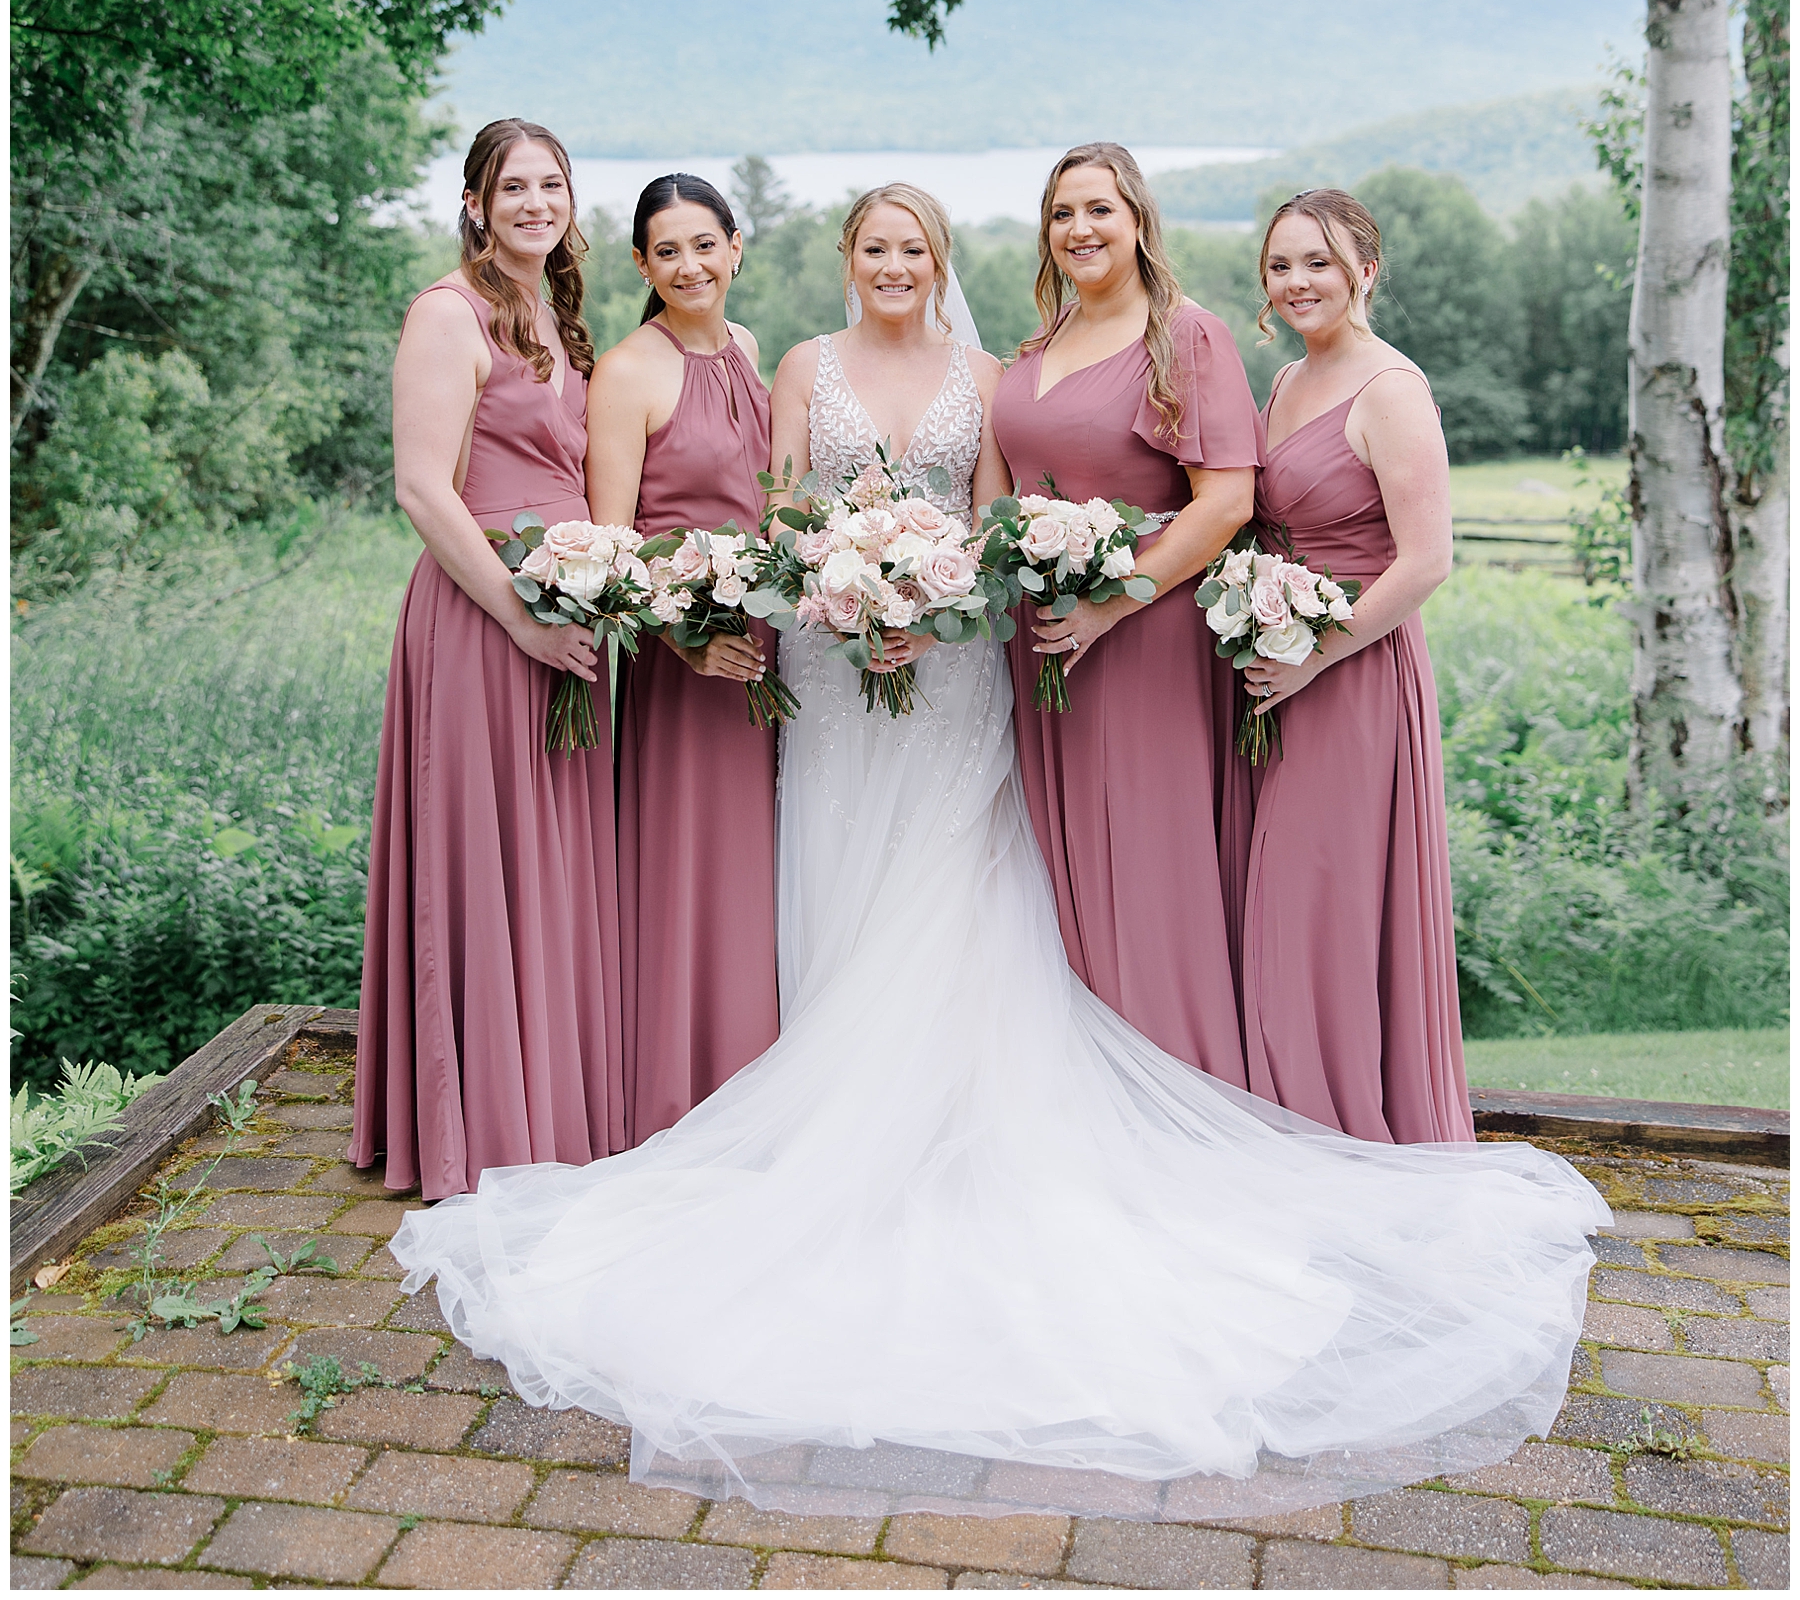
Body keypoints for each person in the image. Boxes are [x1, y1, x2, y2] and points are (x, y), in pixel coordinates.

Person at [392, 178, 1605, 1527]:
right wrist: (841, 583)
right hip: (834, 669)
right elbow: (783, 504)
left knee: (976, 889)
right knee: (841, 879)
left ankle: (957, 1125)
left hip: (961, 676)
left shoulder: (995, 371)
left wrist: (930, 589)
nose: (895, 264)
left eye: (915, 247)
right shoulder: (792, 361)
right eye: (873, 248)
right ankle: (829, 1098)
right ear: (844, 262)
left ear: (942, 261)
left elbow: (990, 519)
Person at [352, 119, 624, 1203]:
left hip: (572, 606)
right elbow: (424, 488)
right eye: (512, 186)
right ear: (474, 202)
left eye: (550, 184)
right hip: (483, 615)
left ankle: (553, 1100)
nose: (532, 202)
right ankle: (479, 1119)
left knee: (553, 854)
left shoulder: (559, 318)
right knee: (480, 854)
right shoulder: (445, 314)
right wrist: (519, 615)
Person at [989, 142, 1260, 1078]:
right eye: (1062, 214)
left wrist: (1119, 601)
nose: (1080, 230)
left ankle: (1173, 1082)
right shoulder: (1038, 346)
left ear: (1138, 219)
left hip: (1141, 639)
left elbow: (1225, 501)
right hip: (1040, 643)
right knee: (1056, 868)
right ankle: (1084, 1089)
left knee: (1144, 864)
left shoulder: (1184, 336)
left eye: (1099, 209)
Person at [1239, 189, 1473, 1143]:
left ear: (1366, 271)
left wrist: (1313, 658)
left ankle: (1341, 1127)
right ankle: (1287, 1110)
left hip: (1354, 678)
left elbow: (1426, 558)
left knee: (1320, 896)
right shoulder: (1290, 383)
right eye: (1282, 265)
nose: (1298, 282)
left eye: (1319, 263)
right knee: (1277, 900)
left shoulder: (1392, 389)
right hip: (1275, 669)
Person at [587, 173, 780, 1145]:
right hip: (685, 667)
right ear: (641, 264)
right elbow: (613, 544)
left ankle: (754, 1078)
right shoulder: (628, 370)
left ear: (736, 245)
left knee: (761, 874)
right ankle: (674, 1095)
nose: (690, 265)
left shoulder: (749, 351)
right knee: (691, 871)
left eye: (705, 244)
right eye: (668, 251)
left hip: (768, 656)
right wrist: (685, 637)